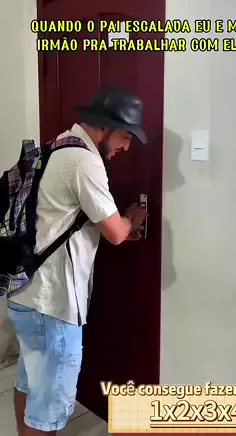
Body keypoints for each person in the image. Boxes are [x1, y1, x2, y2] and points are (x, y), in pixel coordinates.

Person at [7, 86, 148, 435]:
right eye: (126, 136)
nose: (126, 147)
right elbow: (115, 233)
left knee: (29, 385)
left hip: (27, 296)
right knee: (47, 411)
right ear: (106, 125)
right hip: (52, 305)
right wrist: (134, 216)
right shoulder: (84, 161)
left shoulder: (59, 144)